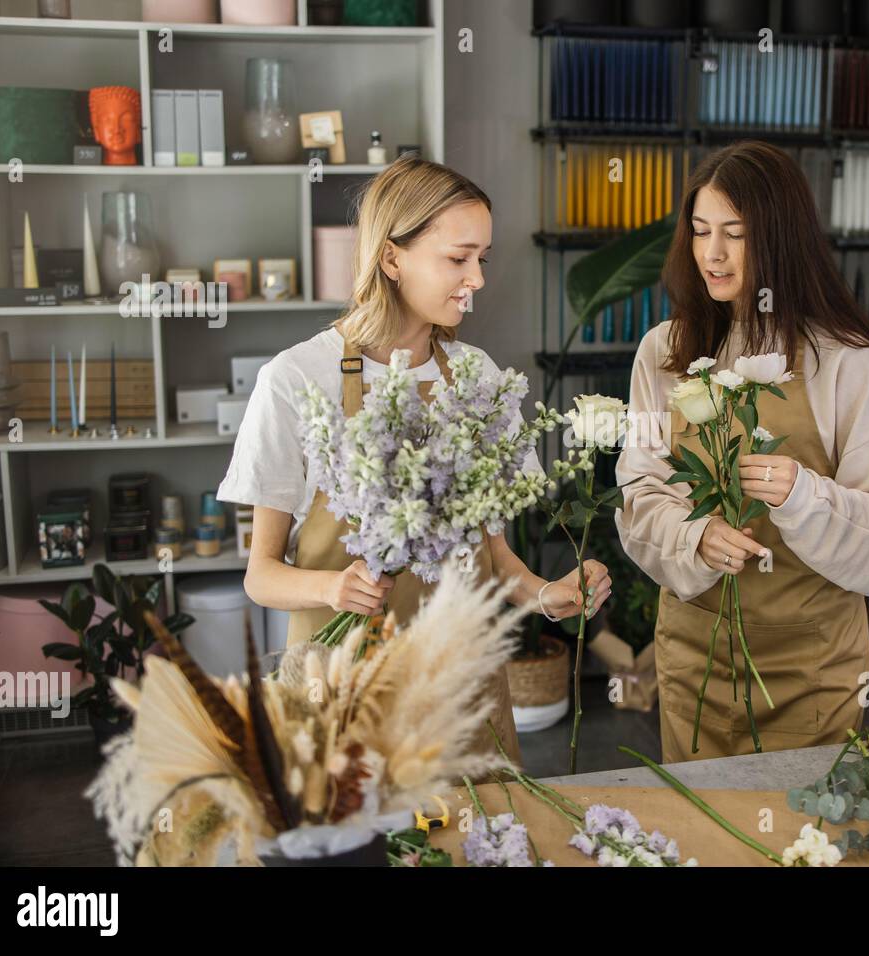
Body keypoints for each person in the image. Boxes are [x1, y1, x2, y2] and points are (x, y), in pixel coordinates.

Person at [218, 157, 611, 766]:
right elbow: (261, 576)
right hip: (342, 688)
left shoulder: (479, 380)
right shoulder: (297, 380)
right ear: (392, 257)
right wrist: (334, 586)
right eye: (458, 258)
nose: (476, 277)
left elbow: (494, 559)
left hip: (461, 686)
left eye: (482, 257)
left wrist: (546, 596)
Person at [615, 141, 869, 761]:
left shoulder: (845, 363)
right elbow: (637, 492)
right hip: (693, 659)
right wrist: (695, 537)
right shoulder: (663, 352)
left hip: (808, 665)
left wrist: (805, 495)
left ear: (780, 239)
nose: (712, 254)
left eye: (735, 235)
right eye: (701, 231)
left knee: (796, 845)